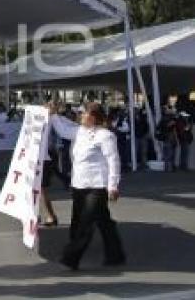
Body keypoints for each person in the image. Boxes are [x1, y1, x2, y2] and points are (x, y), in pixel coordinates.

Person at [49, 102, 125, 270]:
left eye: (83, 113)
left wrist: (113, 186)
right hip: (79, 184)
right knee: (101, 221)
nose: (80, 115)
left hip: (97, 186)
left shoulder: (105, 136)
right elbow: (62, 130)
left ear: (93, 117)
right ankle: (115, 254)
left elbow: (114, 161)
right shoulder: (78, 131)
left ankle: (70, 258)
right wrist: (53, 115)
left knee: (85, 223)